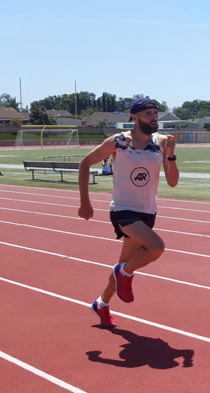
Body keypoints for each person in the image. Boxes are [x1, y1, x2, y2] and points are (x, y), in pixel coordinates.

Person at [78, 98, 179, 327]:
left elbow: (172, 182)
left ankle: (101, 303)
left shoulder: (162, 143)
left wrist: (171, 155)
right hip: (123, 210)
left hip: (147, 212)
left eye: (156, 113)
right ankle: (125, 272)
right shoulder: (119, 142)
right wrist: (85, 202)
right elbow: (85, 163)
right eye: (148, 113)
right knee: (156, 247)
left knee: (123, 264)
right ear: (134, 117)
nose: (154, 117)